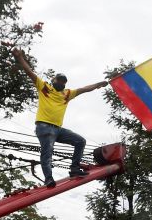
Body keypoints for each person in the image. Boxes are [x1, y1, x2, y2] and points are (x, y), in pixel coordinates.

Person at [12, 48, 108, 187]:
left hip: (58, 130)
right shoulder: (44, 87)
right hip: (44, 127)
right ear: (53, 80)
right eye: (59, 80)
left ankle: (75, 169)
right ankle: (49, 178)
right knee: (47, 152)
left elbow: (84, 89)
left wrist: (99, 84)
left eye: (64, 82)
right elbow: (30, 73)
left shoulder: (67, 94)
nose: (61, 83)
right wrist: (20, 58)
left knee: (80, 141)